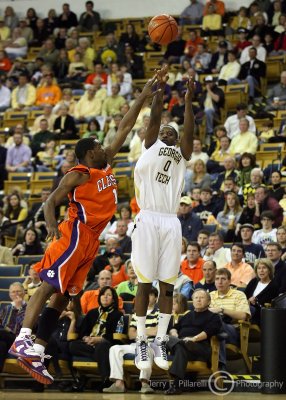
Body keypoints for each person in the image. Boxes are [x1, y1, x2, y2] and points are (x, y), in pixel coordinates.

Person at [9, 74, 160, 385]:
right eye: (100, 146)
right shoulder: (80, 172)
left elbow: (125, 127)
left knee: (63, 295)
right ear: (91, 152)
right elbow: (51, 199)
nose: (106, 146)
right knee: (49, 284)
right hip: (75, 232)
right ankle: (23, 338)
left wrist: (144, 95)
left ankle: (37, 348)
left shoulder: (104, 165)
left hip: (91, 240)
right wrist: (52, 227)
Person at [131, 69, 194, 372]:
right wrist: (159, 89)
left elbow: (191, 135)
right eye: (165, 131)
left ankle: (159, 339)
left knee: (168, 285)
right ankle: (142, 339)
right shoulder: (151, 144)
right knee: (144, 283)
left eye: (173, 132)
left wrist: (189, 101)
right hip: (148, 217)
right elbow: (156, 116)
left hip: (170, 220)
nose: (168, 133)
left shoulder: (182, 155)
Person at [166, 289, 222, 395]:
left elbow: (208, 332)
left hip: (200, 347)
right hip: (183, 344)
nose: (198, 300)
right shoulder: (187, 315)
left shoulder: (214, 317)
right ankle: (176, 386)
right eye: (196, 298)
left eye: (202, 298)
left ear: (209, 302)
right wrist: (175, 335)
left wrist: (194, 339)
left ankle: (176, 384)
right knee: (171, 341)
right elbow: (174, 328)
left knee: (185, 345)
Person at [103, 287, 159, 394]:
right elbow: (131, 334)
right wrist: (147, 331)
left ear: (155, 298)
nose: (146, 297)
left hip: (152, 345)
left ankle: (145, 383)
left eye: (150, 295)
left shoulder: (159, 314)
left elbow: (156, 331)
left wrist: (141, 332)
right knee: (114, 349)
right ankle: (119, 384)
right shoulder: (137, 314)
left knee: (144, 348)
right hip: (135, 344)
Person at [245, 258, 279, 325]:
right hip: (247, 311)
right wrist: (249, 300)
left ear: (269, 270)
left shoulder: (273, 286)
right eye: (259, 268)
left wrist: (256, 301)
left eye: (264, 268)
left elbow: (269, 305)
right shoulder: (253, 282)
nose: (261, 270)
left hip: (261, 316)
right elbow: (243, 296)